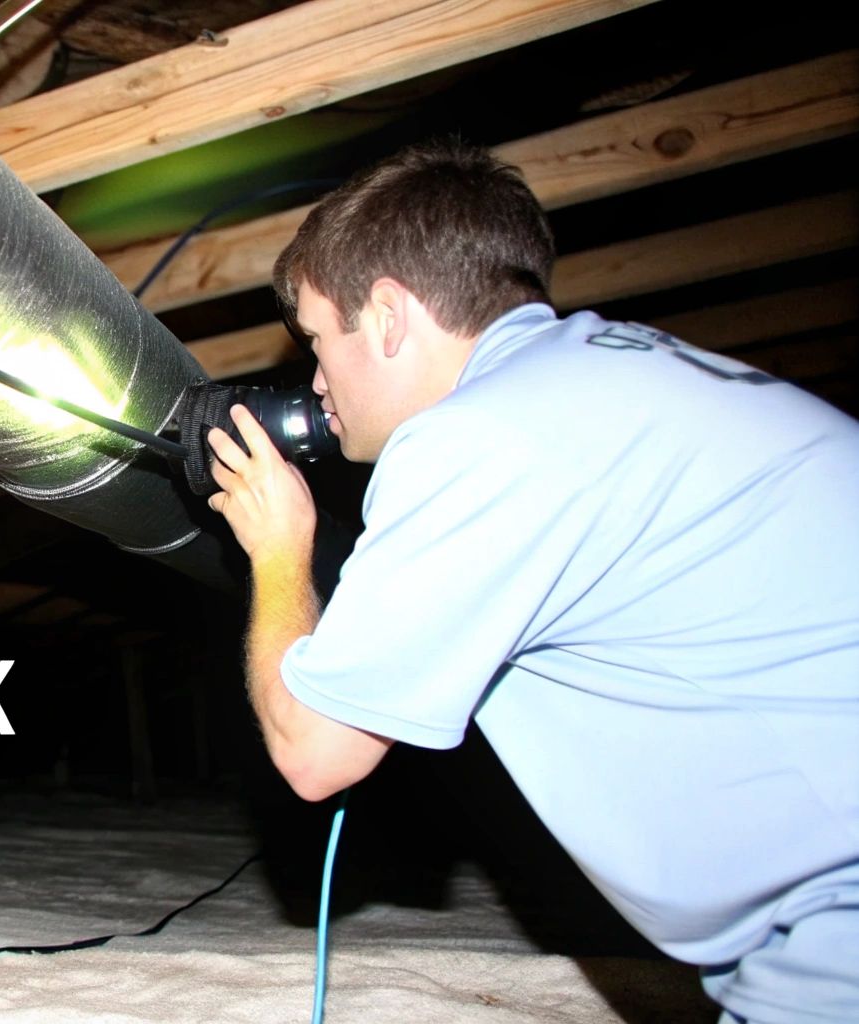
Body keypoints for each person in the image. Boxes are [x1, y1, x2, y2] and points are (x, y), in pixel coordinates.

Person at [202, 137, 859, 1022]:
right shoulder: (611, 371)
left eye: (319, 340)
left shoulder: (479, 437)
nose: (316, 383)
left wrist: (279, 546)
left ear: (389, 317)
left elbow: (316, 752)